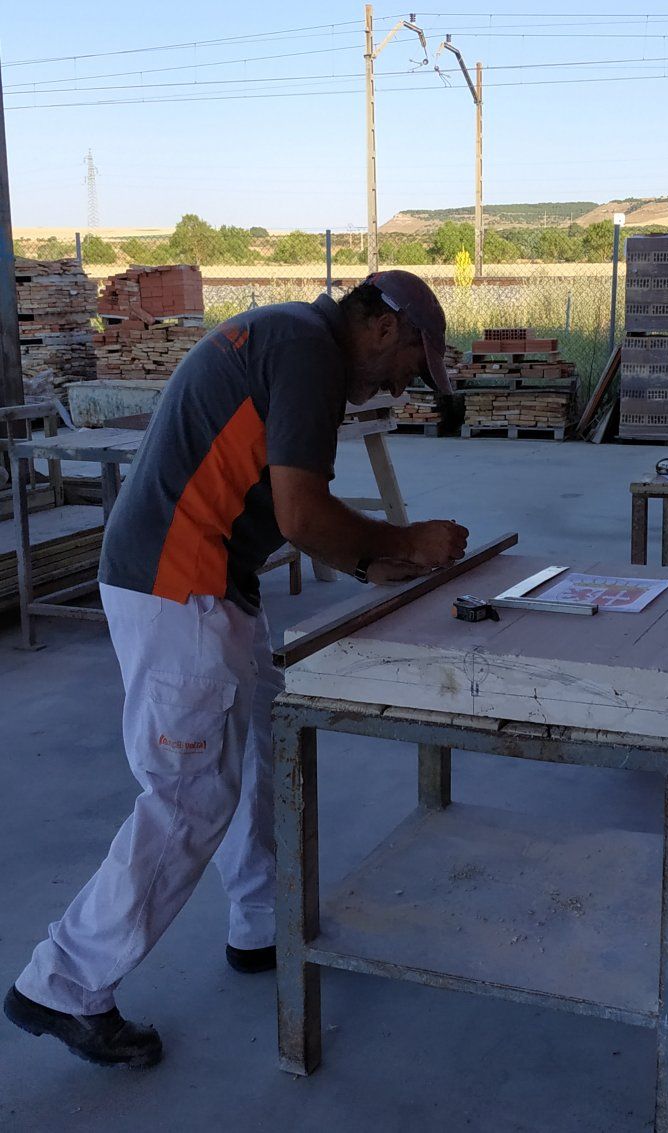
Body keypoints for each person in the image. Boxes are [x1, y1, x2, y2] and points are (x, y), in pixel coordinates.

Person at [4, 270, 469, 1068]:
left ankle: (257, 920)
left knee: (263, 727)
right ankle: (63, 980)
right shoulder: (308, 353)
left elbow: (281, 507)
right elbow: (301, 512)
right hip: (177, 582)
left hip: (209, 575)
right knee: (189, 794)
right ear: (385, 328)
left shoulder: (293, 336)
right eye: (408, 370)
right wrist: (402, 539)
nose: (400, 387)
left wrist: (365, 562)